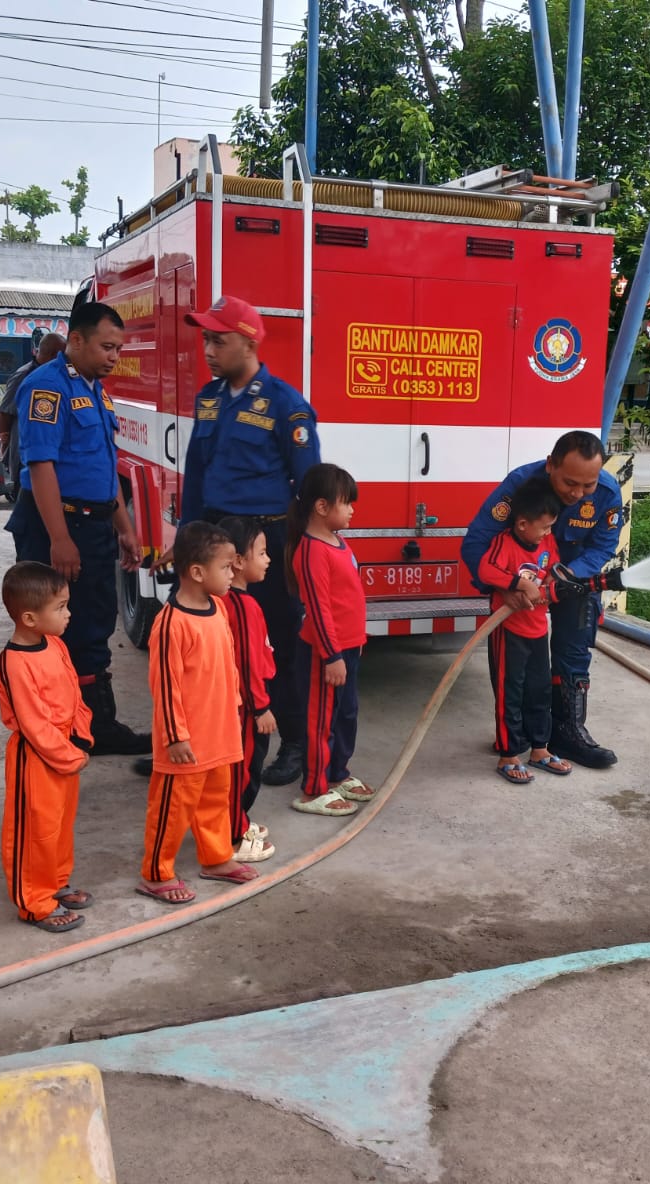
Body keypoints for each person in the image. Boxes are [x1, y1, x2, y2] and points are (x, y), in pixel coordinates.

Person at [176, 295, 321, 788]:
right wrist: (187, 540)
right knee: (212, 640)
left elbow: (309, 488)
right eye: (206, 340)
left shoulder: (286, 405)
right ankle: (206, 738)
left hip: (266, 540)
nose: (208, 350)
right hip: (215, 536)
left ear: (249, 342)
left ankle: (294, 742)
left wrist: (297, 553)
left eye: (218, 341)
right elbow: (196, 473)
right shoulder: (209, 399)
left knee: (277, 641)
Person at [6, 304, 147, 756]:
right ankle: (56, 726)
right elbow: (41, 466)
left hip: (93, 522)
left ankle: (95, 724)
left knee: (94, 622)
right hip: (56, 523)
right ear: (77, 340)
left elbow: (104, 467)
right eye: (107, 347)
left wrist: (124, 527)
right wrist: (60, 539)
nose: (114, 357)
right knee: (54, 624)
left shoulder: (96, 391)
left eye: (118, 349)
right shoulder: (45, 388)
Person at [461, 431, 624, 769]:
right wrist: (507, 588)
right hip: (520, 587)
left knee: (573, 651)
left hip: (574, 578)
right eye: (569, 483)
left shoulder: (607, 493)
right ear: (551, 465)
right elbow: (476, 544)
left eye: (588, 485)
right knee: (514, 669)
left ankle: (568, 732)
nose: (577, 494)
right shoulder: (520, 486)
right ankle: (514, 739)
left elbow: (603, 546)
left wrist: (567, 575)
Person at [138, 521, 260, 904]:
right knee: (173, 808)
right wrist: (175, 737)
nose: (233, 573)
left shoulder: (218, 608)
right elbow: (165, 686)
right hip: (185, 743)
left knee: (215, 800)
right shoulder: (170, 624)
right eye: (225, 567)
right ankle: (157, 873)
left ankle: (216, 858)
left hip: (219, 733)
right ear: (196, 572)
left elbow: (227, 663)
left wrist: (235, 704)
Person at [0, 561, 93, 934]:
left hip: (66, 749)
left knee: (60, 825)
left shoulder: (55, 645)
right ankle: (35, 902)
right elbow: (34, 725)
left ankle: (56, 882)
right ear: (30, 618)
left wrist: (81, 737)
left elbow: (74, 693)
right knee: (35, 832)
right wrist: (68, 755)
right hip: (36, 759)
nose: (69, 614)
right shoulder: (15, 663)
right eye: (60, 608)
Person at [287, 463, 372, 817]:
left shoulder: (337, 541)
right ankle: (314, 788)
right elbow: (319, 609)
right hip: (325, 653)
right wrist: (332, 655)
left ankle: (337, 772)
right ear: (322, 507)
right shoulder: (311, 552)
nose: (352, 510)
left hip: (347, 648)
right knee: (320, 721)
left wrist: (354, 641)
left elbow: (347, 597)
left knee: (346, 713)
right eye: (346, 503)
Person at [476, 478, 573, 784]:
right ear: (522, 524)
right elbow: (486, 570)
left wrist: (552, 584)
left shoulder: (546, 543)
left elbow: (553, 568)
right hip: (508, 630)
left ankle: (540, 749)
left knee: (539, 690)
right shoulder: (504, 544)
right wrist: (520, 583)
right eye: (544, 527)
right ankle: (508, 754)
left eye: (550, 527)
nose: (548, 533)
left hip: (537, 629)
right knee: (510, 693)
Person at [217, 515, 277, 864]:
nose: (268, 559)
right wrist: (261, 708)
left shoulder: (229, 602)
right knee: (242, 771)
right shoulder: (243, 608)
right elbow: (248, 664)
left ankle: (236, 820)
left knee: (240, 770)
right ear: (238, 561)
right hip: (246, 710)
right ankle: (233, 835)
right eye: (262, 552)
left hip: (243, 705)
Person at [0, 332, 67, 498]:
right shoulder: (25, 375)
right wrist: (5, 443)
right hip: (26, 456)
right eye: (64, 356)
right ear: (55, 355)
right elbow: (4, 412)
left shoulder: (56, 375)